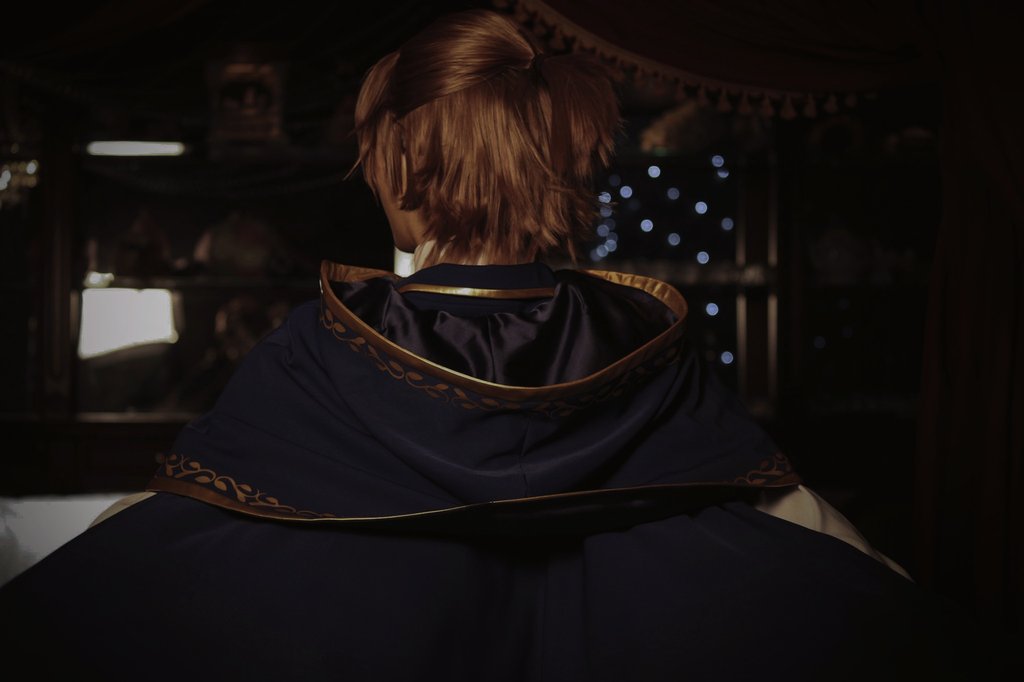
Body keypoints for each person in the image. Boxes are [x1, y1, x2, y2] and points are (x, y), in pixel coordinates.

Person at [0, 9, 977, 680]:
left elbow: (181, 512)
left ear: (397, 165)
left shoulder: (318, 345)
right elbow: (784, 509)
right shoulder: (649, 336)